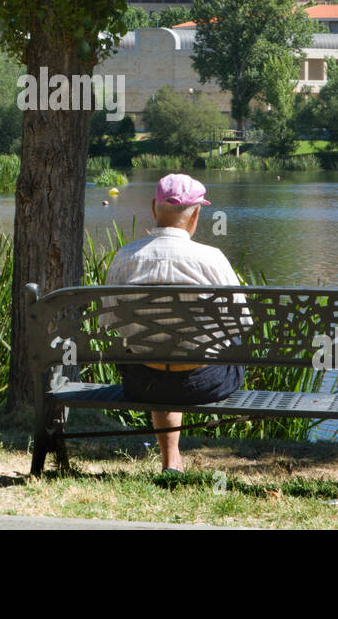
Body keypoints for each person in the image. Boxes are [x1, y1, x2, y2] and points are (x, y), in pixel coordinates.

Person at [99, 173, 249, 472]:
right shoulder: (212, 259)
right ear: (196, 214)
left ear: (154, 209)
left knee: (153, 353)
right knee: (206, 348)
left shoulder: (125, 257)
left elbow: (107, 323)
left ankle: (171, 459)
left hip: (144, 383)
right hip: (206, 384)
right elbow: (242, 324)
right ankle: (174, 459)